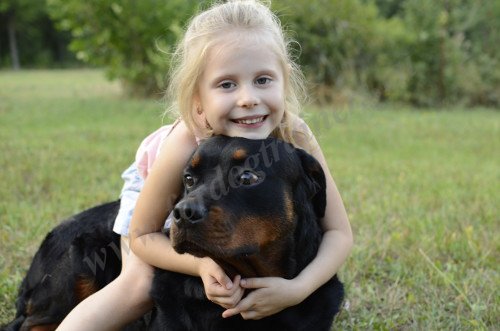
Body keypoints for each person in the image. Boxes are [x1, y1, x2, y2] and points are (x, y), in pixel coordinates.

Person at [57, 0, 353, 329]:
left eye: (263, 80)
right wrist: (200, 266)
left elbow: (338, 232)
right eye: (227, 84)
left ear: (285, 82)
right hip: (160, 191)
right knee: (137, 286)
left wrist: (300, 288)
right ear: (198, 99)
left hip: (211, 203)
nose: (248, 98)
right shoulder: (184, 142)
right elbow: (142, 234)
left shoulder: (295, 133)